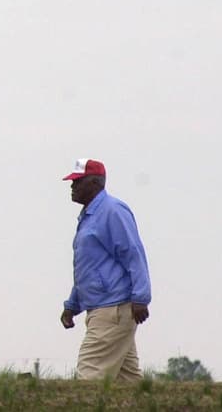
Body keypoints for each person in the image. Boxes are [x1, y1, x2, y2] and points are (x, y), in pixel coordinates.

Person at [58, 158, 151, 381]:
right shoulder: (90, 216)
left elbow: (133, 253)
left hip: (113, 310)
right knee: (127, 384)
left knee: (89, 377)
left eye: (77, 181)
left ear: (95, 183)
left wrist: (141, 297)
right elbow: (90, 268)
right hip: (104, 308)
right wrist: (72, 305)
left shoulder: (112, 211)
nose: (72, 187)